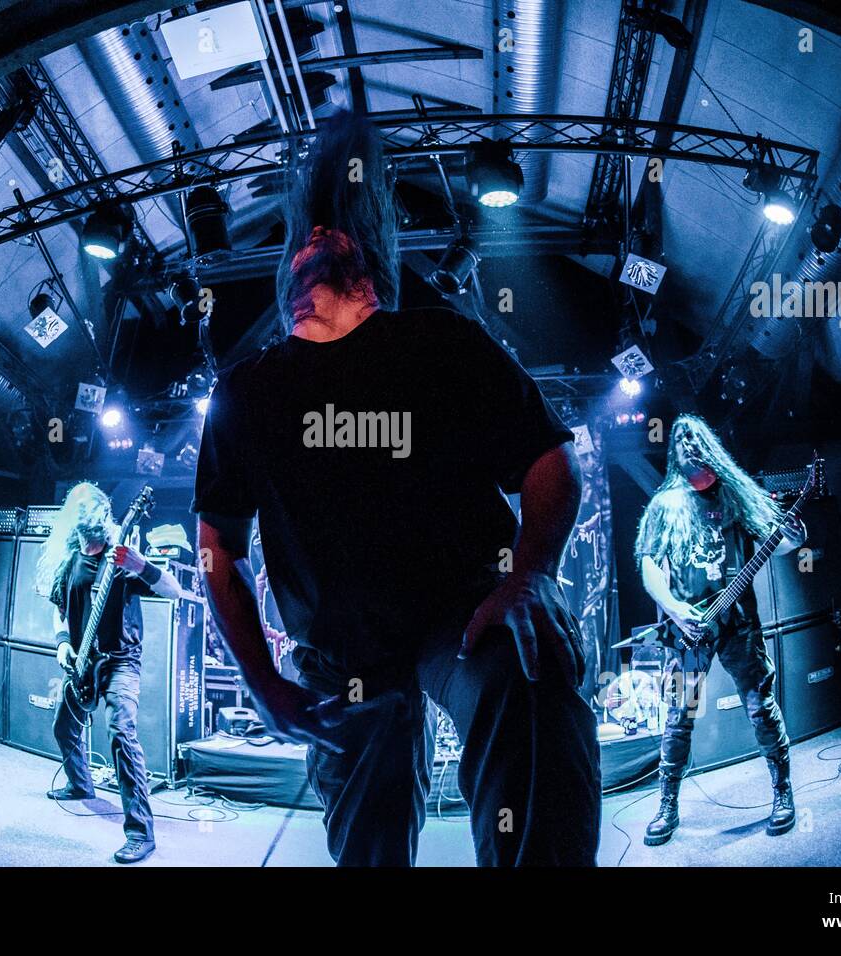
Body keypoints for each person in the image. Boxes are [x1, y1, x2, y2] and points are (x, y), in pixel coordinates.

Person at [193, 111, 601, 866]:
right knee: (367, 848)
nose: (311, 240)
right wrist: (261, 682)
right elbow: (216, 544)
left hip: (464, 613)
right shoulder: (248, 390)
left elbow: (551, 465)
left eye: (329, 232)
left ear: (365, 258)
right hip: (342, 655)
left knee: (528, 669)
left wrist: (530, 579)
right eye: (301, 238)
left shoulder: (441, 341)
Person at [634, 415, 806, 845]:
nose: (692, 454)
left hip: (737, 624)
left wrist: (794, 535)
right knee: (678, 720)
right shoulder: (666, 505)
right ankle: (667, 804)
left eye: (700, 449)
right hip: (687, 628)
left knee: (761, 707)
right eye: (685, 450)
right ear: (677, 457)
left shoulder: (735, 495)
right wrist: (674, 609)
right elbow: (649, 564)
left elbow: (782, 542)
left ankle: (782, 793)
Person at [35, 482, 181, 865]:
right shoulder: (68, 561)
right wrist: (63, 643)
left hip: (121, 660)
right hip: (82, 660)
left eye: (94, 513)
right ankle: (80, 784)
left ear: (103, 515)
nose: (89, 522)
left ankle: (140, 833)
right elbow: (59, 610)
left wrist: (141, 566)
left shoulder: (120, 558)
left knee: (120, 731)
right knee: (63, 726)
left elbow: (174, 591)